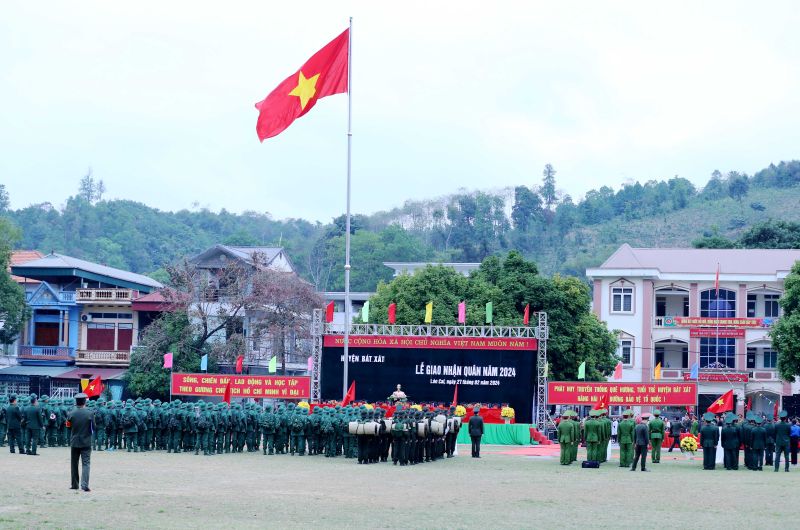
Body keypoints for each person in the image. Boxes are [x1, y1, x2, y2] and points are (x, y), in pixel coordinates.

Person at [67, 393, 94, 492]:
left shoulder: (70, 413)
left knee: (74, 463)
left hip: (74, 441)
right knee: (86, 464)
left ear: (76, 402)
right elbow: (92, 428)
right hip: (86, 441)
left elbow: (68, 426)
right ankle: (84, 484)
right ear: (85, 402)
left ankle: (74, 484)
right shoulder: (90, 413)